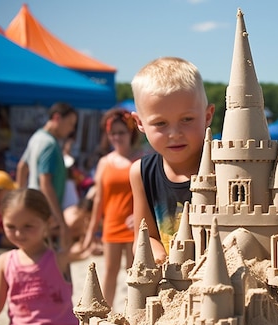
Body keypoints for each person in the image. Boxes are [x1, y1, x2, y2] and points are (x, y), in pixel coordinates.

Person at [129, 57, 215, 263]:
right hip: (173, 284)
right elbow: (144, 236)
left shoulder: (226, 164)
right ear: (139, 123)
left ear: (208, 115)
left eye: (187, 119)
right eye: (160, 123)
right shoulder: (141, 173)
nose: (175, 133)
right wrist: (157, 255)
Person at [0, 188, 79, 325]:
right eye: (11, 226)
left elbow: (80, 248)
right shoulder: (5, 261)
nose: (19, 233)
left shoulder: (59, 258)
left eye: (28, 226)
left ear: (48, 223)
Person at [84, 108, 141, 307]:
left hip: (136, 225)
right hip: (111, 224)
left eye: (121, 132)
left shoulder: (142, 159)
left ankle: (134, 312)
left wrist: (141, 216)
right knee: (109, 272)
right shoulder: (104, 162)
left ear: (130, 133)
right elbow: (99, 199)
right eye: (112, 133)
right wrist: (91, 232)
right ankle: (105, 313)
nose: (117, 137)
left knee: (134, 271)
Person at [16, 102, 78, 248]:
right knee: (50, 257)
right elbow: (45, 183)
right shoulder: (50, 143)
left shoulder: (36, 137)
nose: (71, 129)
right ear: (57, 118)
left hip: (32, 206)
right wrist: (60, 220)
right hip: (45, 211)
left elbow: (21, 167)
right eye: (70, 123)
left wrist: (19, 198)